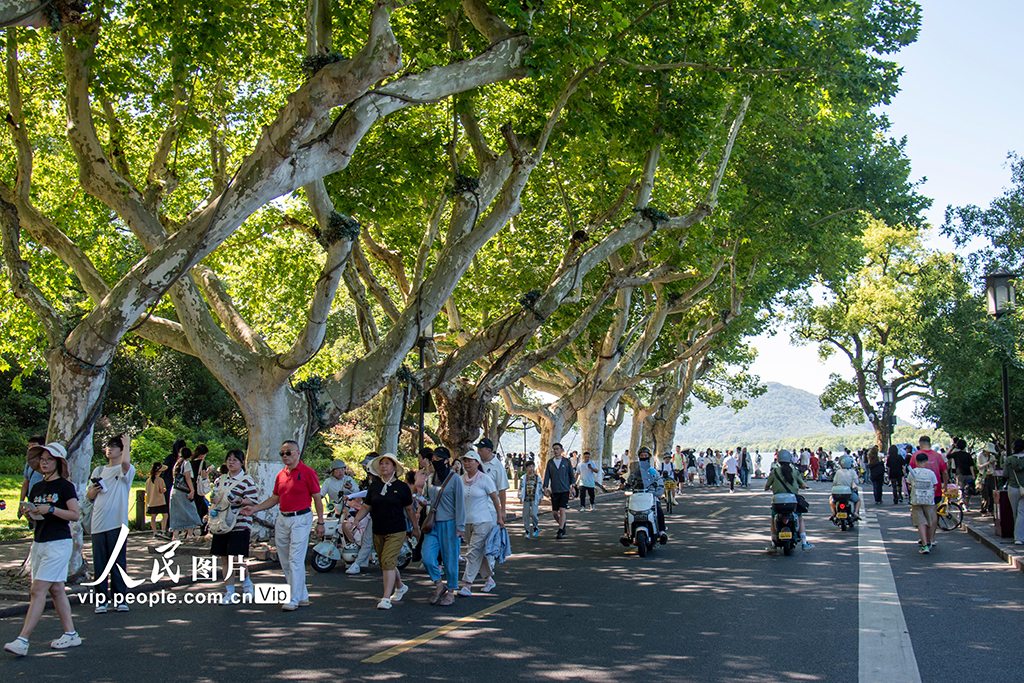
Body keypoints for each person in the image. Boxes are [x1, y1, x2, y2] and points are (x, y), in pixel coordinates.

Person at [4, 443, 81, 657]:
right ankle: (71, 634)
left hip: (58, 543)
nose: (44, 462)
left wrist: (52, 509)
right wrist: (31, 513)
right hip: (39, 542)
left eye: (48, 459)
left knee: (37, 590)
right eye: (42, 459)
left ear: (58, 462)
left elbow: (75, 515)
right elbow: (38, 514)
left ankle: (23, 639)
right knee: (56, 589)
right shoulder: (37, 488)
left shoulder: (65, 487)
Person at [241, 440, 325, 611]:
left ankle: (293, 597)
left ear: (297, 452)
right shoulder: (280, 475)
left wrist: (321, 522)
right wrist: (254, 509)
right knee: (285, 558)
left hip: (301, 517)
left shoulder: (308, 472)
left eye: (288, 452)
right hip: (283, 517)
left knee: (295, 558)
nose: (285, 456)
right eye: (282, 453)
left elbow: (317, 498)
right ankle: (301, 595)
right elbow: (275, 498)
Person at [349, 453, 419, 609]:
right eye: (382, 464)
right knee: (385, 562)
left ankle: (386, 597)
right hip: (378, 529)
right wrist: (356, 520)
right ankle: (400, 586)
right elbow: (367, 506)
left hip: (396, 529)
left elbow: (409, 509)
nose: (384, 466)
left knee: (388, 561)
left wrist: (415, 528)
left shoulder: (401, 487)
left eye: (388, 463)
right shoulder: (374, 486)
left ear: (394, 467)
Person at [86, 434, 135, 613]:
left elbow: (125, 464)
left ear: (122, 451)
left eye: (114, 447)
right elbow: (89, 496)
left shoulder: (126, 470)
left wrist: (127, 443)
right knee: (100, 563)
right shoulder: (98, 471)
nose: (109, 449)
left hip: (117, 523)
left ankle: (120, 598)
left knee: (117, 562)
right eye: (108, 446)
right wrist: (93, 490)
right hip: (98, 522)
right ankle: (101, 600)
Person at [210, 449, 258, 604]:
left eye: (235, 460)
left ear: (242, 463)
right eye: (229, 459)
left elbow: (253, 500)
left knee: (237, 558)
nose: (231, 462)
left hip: (240, 523)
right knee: (225, 559)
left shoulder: (247, 481)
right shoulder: (221, 480)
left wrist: (240, 501)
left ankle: (247, 584)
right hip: (221, 523)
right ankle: (229, 592)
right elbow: (215, 499)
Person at [421, 451, 464, 606]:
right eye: (433, 459)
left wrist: (461, 526)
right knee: (426, 556)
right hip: (433, 523)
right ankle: (439, 584)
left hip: (450, 523)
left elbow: (460, 503)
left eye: (438, 459)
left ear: (446, 461)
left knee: (450, 558)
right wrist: (422, 501)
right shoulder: (431, 478)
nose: (435, 462)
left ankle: (451, 591)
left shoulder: (455, 479)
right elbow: (427, 497)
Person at [457, 451, 503, 596]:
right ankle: (489, 579)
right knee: (478, 552)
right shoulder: (460, 479)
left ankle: (467, 585)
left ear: (478, 463)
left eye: (470, 461)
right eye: (465, 461)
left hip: (483, 521)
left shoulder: (485, 479)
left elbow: (495, 499)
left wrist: (500, 517)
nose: (467, 464)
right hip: (467, 522)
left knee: (473, 552)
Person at [764, 450, 813, 550]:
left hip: (777, 502)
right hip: (792, 501)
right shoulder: (794, 471)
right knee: (800, 518)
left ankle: (773, 544)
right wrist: (804, 487)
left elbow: (767, 485)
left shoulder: (774, 472)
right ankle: (804, 542)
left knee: (773, 519)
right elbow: (802, 484)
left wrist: (768, 488)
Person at [626, 447, 667, 541]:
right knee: (627, 511)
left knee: (659, 508)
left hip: (651, 497)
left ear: (649, 456)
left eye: (645, 455)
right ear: (639, 457)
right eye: (642, 455)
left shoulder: (653, 471)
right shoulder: (634, 472)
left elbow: (660, 485)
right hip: (637, 496)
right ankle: (627, 533)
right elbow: (629, 483)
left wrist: (656, 493)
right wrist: (625, 486)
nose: (644, 457)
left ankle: (661, 530)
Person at [168, 446, 201, 541]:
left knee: (176, 513)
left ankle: (175, 535)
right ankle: (190, 534)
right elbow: (187, 478)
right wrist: (192, 490)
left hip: (174, 490)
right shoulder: (187, 464)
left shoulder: (177, 464)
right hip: (184, 491)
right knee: (191, 510)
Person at [908, 452, 939, 553]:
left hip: (916, 500)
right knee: (929, 521)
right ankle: (929, 541)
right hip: (929, 500)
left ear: (916, 462)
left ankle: (924, 544)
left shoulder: (913, 472)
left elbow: (909, 485)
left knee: (920, 522)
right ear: (926, 461)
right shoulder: (930, 473)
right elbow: (935, 486)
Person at [543, 443, 574, 539]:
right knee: (555, 513)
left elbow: (571, 476)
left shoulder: (567, 462)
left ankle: (560, 530)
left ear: (562, 450)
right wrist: (545, 487)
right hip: (554, 490)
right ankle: (562, 524)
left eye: (557, 449)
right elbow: (547, 476)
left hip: (564, 490)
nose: (555, 451)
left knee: (562, 509)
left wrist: (572, 487)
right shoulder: (550, 462)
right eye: (554, 449)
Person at [910, 435, 949, 510]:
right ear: (930, 444)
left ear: (920, 444)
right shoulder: (938, 456)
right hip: (935, 489)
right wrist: (945, 485)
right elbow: (945, 472)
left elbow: (911, 472)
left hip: (918, 490)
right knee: (933, 511)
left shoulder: (915, 455)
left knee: (920, 511)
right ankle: (933, 522)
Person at [475, 438, 509, 523]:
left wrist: (503, 510)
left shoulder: (497, 466)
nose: (478, 452)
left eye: (481, 450)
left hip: (491, 508)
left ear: (489, 451)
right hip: (476, 508)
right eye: (478, 449)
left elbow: (502, 489)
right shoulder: (477, 463)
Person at [17, 436, 46, 528]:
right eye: (29, 447)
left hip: (44, 499)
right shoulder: (29, 464)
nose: (31, 449)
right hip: (31, 499)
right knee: (33, 525)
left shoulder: (48, 464)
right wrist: (21, 503)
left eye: (34, 446)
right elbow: (25, 483)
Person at [1003, 438, 1024, 546]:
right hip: (1023, 488)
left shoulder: (1008, 460)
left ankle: (1017, 537)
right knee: (1022, 512)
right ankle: (1019, 536)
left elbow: (1005, 474)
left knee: (1015, 512)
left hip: (1012, 487)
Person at [948, 438, 977, 510]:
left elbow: (947, 455)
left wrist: (952, 448)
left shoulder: (956, 454)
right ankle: (966, 505)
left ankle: (961, 501)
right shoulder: (968, 455)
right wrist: (973, 475)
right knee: (968, 490)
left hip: (959, 474)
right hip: (968, 474)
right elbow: (971, 465)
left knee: (961, 489)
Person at [830, 455, 861, 521]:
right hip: (848, 493)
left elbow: (834, 482)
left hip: (837, 493)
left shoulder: (838, 472)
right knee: (858, 500)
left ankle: (833, 513)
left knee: (831, 500)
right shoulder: (852, 472)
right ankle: (855, 513)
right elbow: (857, 481)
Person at [519, 460, 541, 537]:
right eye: (529, 467)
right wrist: (520, 497)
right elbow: (521, 488)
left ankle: (535, 526)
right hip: (526, 498)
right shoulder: (523, 478)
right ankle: (527, 530)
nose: (531, 468)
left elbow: (540, 488)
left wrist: (540, 497)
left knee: (534, 514)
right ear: (526, 468)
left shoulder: (537, 478)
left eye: (532, 466)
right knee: (526, 514)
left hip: (534, 498)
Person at [145, 463, 169, 534]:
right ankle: (163, 530)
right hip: (160, 501)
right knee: (165, 515)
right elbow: (161, 490)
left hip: (151, 501)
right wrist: (165, 489)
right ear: (158, 472)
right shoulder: (160, 480)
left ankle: (154, 531)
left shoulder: (148, 481)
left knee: (153, 517)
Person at [976, 442, 999, 515]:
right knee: (984, 493)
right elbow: (979, 466)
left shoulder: (992, 457)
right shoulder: (980, 456)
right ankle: (984, 509)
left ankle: (991, 509)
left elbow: (994, 466)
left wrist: (993, 463)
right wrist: (988, 463)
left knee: (991, 493)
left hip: (991, 476)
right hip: (983, 476)